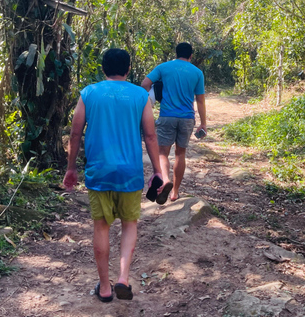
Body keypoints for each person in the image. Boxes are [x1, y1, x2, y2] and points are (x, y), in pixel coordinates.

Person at [63, 48, 167, 303]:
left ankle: (106, 288)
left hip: (99, 172)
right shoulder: (140, 95)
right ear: (128, 69)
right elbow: (151, 136)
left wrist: (71, 167)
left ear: (102, 69)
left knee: (101, 226)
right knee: (129, 224)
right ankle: (123, 277)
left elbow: (75, 133)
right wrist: (157, 170)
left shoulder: (89, 93)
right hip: (129, 173)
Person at [141, 42, 206, 203]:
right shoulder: (197, 73)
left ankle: (165, 179)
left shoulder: (164, 67)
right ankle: (175, 192)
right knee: (180, 153)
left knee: (163, 152)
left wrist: (148, 101)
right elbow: (200, 100)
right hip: (187, 118)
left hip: (167, 116)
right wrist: (203, 123)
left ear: (176, 53)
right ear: (191, 56)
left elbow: (144, 84)